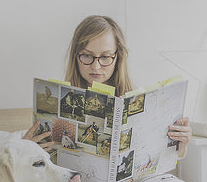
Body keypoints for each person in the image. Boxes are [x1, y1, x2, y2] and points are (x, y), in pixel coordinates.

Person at [24, 15, 192, 158]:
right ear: (76, 56)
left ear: (117, 57)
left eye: (105, 57)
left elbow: (158, 155)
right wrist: (26, 149)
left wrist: (180, 143)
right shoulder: (59, 101)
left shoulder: (138, 99)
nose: (96, 66)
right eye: (87, 56)